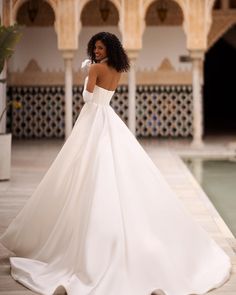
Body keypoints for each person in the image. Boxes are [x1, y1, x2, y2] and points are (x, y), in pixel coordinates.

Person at [0, 32, 232, 295]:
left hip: (92, 118)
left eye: (100, 48)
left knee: (87, 167)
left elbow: (88, 99)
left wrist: (88, 73)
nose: (96, 51)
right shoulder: (117, 69)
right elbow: (104, 95)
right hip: (107, 117)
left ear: (107, 48)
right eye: (95, 48)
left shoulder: (97, 68)